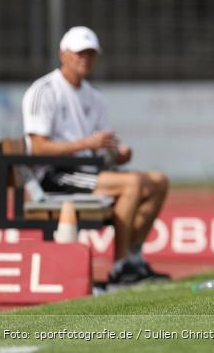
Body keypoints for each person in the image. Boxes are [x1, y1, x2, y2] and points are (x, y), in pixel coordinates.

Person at [21, 26, 170, 288]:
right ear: (63, 55)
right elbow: (37, 148)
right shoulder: (44, 90)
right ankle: (121, 266)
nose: (85, 59)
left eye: (90, 54)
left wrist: (119, 152)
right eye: (80, 53)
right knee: (132, 184)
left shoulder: (94, 95)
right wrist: (87, 143)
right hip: (54, 174)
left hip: (87, 171)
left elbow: (104, 146)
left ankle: (133, 258)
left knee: (158, 181)